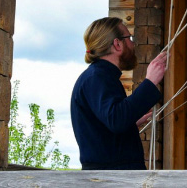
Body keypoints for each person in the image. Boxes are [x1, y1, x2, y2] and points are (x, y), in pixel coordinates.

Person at [71, 17, 167, 170]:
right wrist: (150, 81)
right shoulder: (97, 77)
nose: (133, 43)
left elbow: (107, 124)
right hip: (111, 179)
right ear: (117, 44)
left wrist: (132, 121)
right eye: (129, 38)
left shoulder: (98, 76)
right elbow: (117, 119)